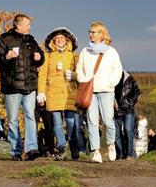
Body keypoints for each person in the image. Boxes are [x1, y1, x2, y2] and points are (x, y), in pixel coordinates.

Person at [0, 14, 45, 161]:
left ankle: (32, 149)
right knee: (12, 120)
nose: (29, 27)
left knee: (30, 117)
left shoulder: (31, 41)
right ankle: (16, 151)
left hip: (30, 86)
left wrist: (40, 59)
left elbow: (41, 57)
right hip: (12, 87)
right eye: (27, 24)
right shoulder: (5, 40)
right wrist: (6, 57)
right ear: (18, 25)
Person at [76, 21, 122, 163]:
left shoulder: (111, 51)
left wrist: (111, 83)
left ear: (102, 34)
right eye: (89, 32)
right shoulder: (85, 51)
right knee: (92, 122)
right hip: (90, 91)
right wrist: (85, 79)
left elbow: (117, 70)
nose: (91, 34)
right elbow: (79, 70)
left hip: (106, 91)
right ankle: (95, 151)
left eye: (94, 32)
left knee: (108, 121)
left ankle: (110, 145)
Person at [37, 27, 81, 160]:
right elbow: (43, 75)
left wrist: (73, 75)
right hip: (53, 93)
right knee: (56, 123)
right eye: (57, 38)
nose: (59, 40)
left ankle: (73, 145)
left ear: (67, 40)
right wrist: (41, 92)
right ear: (53, 41)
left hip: (70, 93)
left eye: (62, 38)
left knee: (71, 122)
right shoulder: (48, 56)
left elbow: (81, 73)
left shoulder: (74, 55)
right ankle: (61, 147)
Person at [114, 70, 141, 160]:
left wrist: (130, 103)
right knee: (116, 133)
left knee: (128, 130)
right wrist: (112, 102)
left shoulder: (129, 78)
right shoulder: (110, 77)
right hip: (115, 109)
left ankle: (129, 154)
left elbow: (137, 91)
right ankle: (120, 155)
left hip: (128, 109)